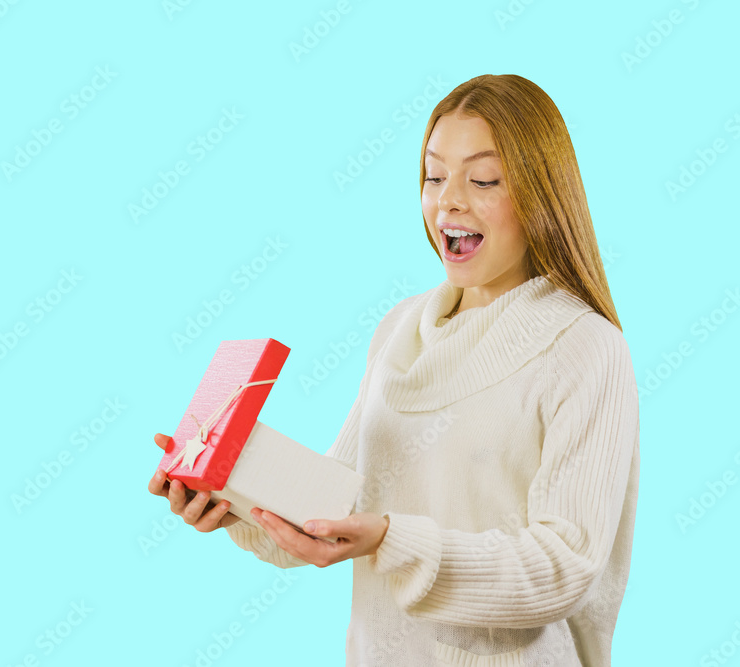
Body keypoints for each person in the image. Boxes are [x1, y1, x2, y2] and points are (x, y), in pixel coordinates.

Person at [148, 73, 640, 666]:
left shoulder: (584, 346)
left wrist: (391, 539)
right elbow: (332, 509)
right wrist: (228, 495)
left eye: (482, 179)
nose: (448, 200)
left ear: (541, 194)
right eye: (434, 177)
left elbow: (563, 569)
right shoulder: (400, 329)